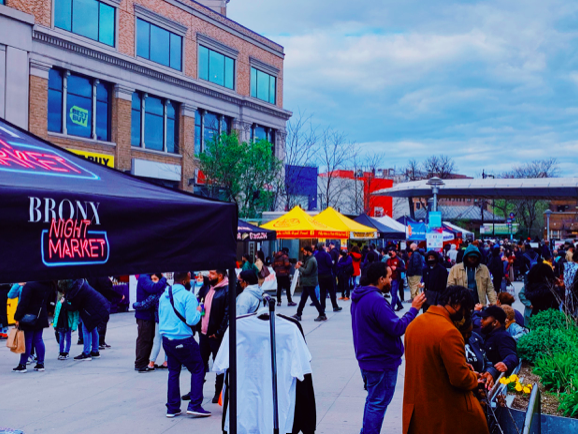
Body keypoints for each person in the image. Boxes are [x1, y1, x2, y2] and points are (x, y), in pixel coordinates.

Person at [403, 285, 490, 434]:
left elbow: (428, 363)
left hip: (417, 412)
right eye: (466, 310)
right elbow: (460, 379)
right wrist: (473, 377)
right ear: (456, 305)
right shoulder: (449, 332)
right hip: (443, 414)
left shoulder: (414, 325)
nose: (465, 317)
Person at [351, 262, 426, 434]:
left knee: (373, 401)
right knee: (377, 403)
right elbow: (397, 327)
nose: (391, 280)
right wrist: (413, 309)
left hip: (369, 359)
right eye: (389, 277)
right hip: (380, 361)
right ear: (381, 279)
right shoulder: (375, 300)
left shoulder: (360, 296)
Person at [159, 271, 210, 418]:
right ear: (184, 281)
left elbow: (160, 316)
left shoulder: (164, 295)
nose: (192, 280)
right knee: (198, 368)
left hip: (167, 340)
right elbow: (192, 320)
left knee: (173, 372)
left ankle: (172, 407)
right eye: (189, 278)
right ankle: (195, 405)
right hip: (184, 339)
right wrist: (200, 311)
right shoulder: (188, 297)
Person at [196, 269, 229, 403]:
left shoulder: (226, 290)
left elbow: (227, 313)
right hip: (203, 333)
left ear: (220, 275)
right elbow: (200, 303)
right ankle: (196, 391)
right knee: (199, 364)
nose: (209, 276)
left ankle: (218, 392)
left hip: (216, 335)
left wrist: (219, 332)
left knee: (219, 365)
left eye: (212, 273)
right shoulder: (207, 288)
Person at [58, 279, 110, 362]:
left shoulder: (77, 291)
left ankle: (86, 353)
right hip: (97, 307)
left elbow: (74, 307)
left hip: (90, 310)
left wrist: (64, 303)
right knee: (93, 329)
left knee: (86, 330)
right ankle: (95, 351)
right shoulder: (80, 284)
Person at [12, 281, 53, 373]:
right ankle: (40, 363)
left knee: (27, 340)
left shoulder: (29, 286)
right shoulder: (47, 285)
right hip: (40, 316)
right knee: (38, 339)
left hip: (29, 317)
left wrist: (17, 317)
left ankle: (22, 364)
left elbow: (23, 303)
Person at [134, 274, 167, 372]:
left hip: (150, 316)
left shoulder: (146, 277)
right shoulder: (144, 277)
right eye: (153, 279)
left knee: (149, 340)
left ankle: (146, 362)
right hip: (145, 316)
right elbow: (152, 288)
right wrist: (163, 278)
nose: (154, 281)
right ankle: (141, 363)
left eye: (155, 279)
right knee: (144, 340)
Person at [480, 305, 519, 377]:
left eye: (484, 319)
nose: (481, 321)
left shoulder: (503, 337)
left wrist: (505, 364)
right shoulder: (488, 335)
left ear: (495, 322)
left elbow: (512, 355)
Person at [292, 245, 326, 322]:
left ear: (308, 252)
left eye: (304, 252)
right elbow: (307, 267)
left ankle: (322, 314)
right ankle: (298, 314)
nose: (304, 253)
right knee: (303, 299)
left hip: (310, 282)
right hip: (307, 282)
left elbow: (307, 271)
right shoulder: (309, 259)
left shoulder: (311, 260)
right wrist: (302, 265)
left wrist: (299, 267)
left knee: (313, 299)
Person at [87, 276, 120, 349]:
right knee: (102, 320)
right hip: (103, 299)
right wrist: (118, 295)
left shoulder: (96, 276)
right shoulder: (101, 276)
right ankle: (99, 341)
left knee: (102, 320)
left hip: (98, 299)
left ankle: (100, 341)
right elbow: (107, 289)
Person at [316, 242, 342, 313]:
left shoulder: (316, 255)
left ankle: (322, 307)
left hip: (320, 275)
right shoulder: (326, 254)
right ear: (323, 246)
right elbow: (330, 264)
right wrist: (332, 263)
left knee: (322, 291)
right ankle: (335, 306)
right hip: (327, 274)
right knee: (331, 291)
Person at [53, 292, 79, 360]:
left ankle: (66, 352)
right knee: (61, 338)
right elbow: (57, 314)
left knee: (67, 338)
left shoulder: (71, 304)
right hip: (61, 323)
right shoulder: (59, 303)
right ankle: (61, 351)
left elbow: (75, 315)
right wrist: (55, 324)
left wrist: (74, 326)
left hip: (68, 324)